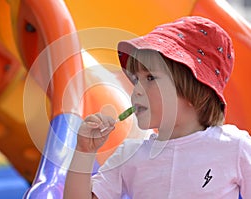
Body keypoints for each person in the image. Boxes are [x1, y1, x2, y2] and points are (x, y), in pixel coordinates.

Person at [63, 16, 251, 199]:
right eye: (136, 79)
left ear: (193, 90)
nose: (136, 90)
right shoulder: (130, 155)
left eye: (150, 78)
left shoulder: (234, 147)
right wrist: (84, 151)